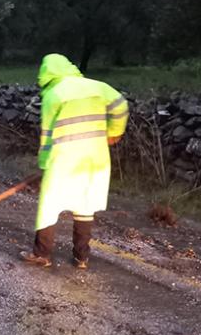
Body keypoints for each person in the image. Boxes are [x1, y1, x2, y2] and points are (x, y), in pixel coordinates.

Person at [21, 53, 128, 269]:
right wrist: (114, 131)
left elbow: (47, 135)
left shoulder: (53, 94)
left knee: (49, 206)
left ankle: (42, 254)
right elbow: (121, 105)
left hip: (64, 159)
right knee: (85, 205)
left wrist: (44, 164)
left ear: (46, 73)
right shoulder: (98, 86)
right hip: (95, 159)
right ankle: (81, 258)